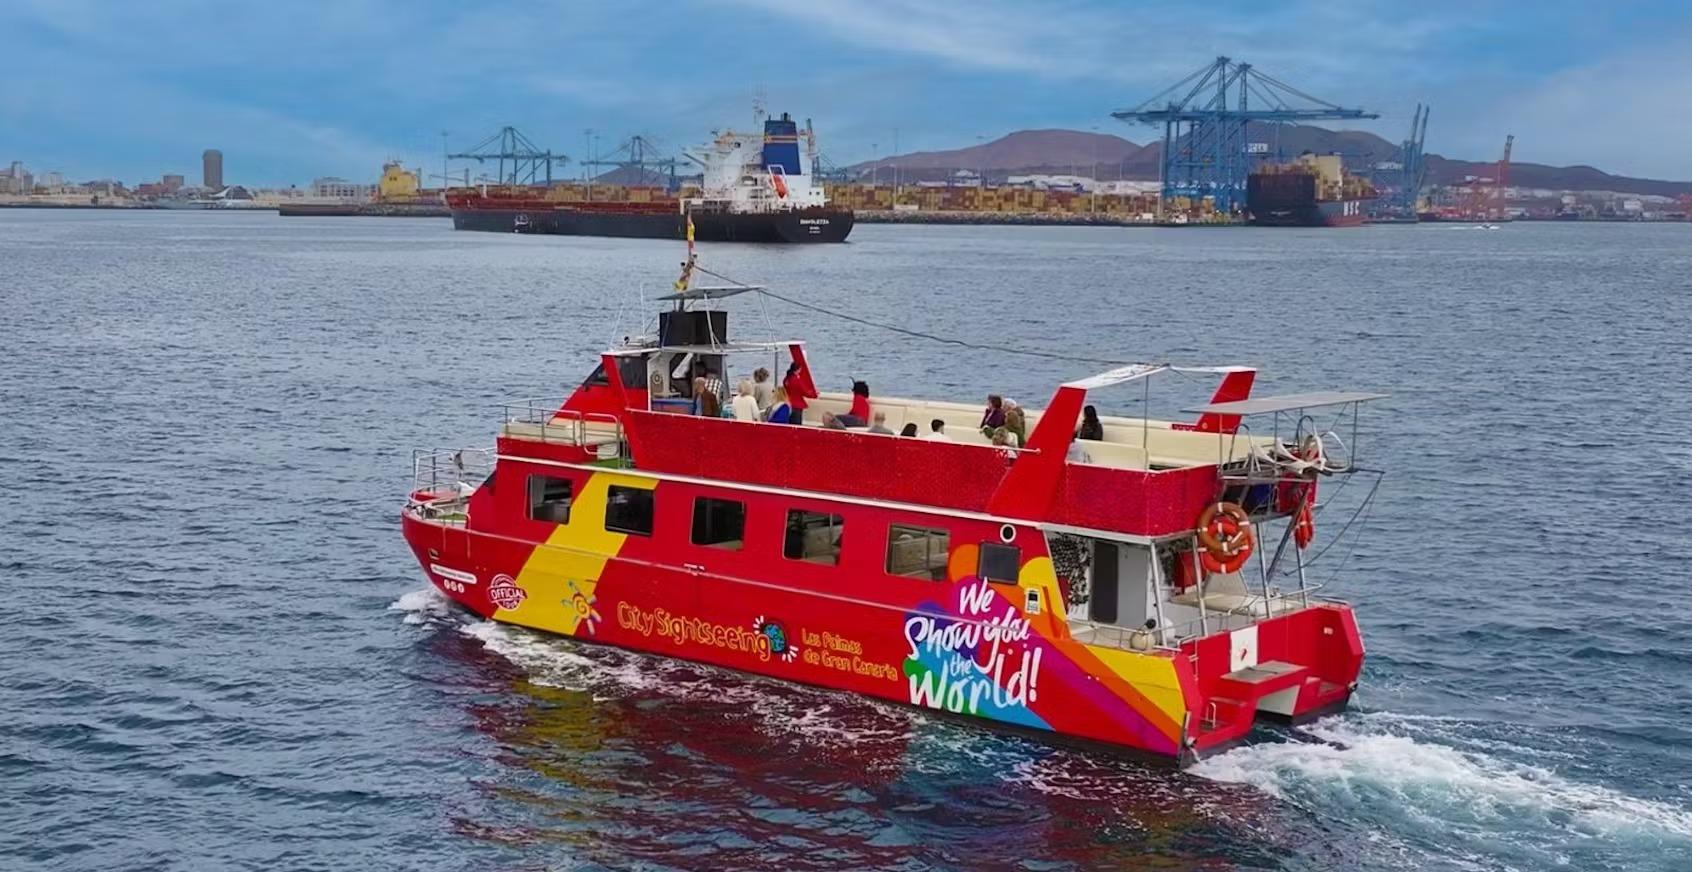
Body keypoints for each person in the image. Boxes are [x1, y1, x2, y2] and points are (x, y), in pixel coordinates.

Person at [782, 361, 817, 426]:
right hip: (797, 405)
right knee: (797, 424)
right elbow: (805, 392)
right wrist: (814, 394)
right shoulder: (797, 381)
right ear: (798, 369)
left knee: (790, 424)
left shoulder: (786, 379)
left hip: (788, 403)